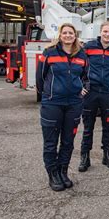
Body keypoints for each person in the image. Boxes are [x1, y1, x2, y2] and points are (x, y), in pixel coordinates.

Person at [36, 23, 88, 191]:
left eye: (70, 33)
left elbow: (86, 77)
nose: (67, 35)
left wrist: (84, 88)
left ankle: (62, 171)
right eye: (64, 33)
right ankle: (52, 174)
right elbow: (40, 78)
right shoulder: (49, 53)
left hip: (74, 104)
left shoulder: (81, 54)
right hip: (52, 104)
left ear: (75, 35)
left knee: (68, 141)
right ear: (60, 35)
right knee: (51, 142)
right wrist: (48, 95)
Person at [78, 21, 109, 172]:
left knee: (108, 127)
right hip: (90, 93)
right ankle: (85, 158)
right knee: (88, 127)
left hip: (107, 94)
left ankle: (107, 156)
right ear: (101, 31)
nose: (108, 34)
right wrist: (82, 85)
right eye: (105, 31)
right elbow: (79, 66)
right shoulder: (89, 47)